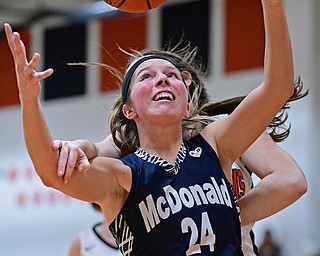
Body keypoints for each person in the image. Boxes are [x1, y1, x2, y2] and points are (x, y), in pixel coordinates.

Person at [5, 0, 299, 254]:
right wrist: (29, 102)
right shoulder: (123, 174)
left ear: (187, 103)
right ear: (129, 109)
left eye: (171, 75)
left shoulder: (216, 144)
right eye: (147, 76)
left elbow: (277, 88)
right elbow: (50, 172)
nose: (162, 79)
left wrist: (272, 5)